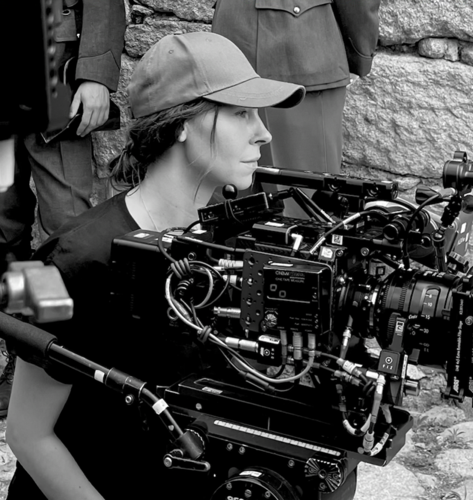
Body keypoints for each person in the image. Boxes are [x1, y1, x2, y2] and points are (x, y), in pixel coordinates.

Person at [5, 32, 305, 499]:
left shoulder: (232, 240)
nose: (263, 133)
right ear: (180, 125)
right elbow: (26, 435)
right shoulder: (63, 260)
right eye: (241, 113)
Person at [0, 0, 126, 417]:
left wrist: (96, 74)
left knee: (68, 230)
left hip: (55, 79)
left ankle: (74, 361)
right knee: (4, 232)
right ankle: (28, 357)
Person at [212, 0, 381, 217]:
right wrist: (360, 55)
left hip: (232, 40)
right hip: (301, 49)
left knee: (235, 204)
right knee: (306, 205)